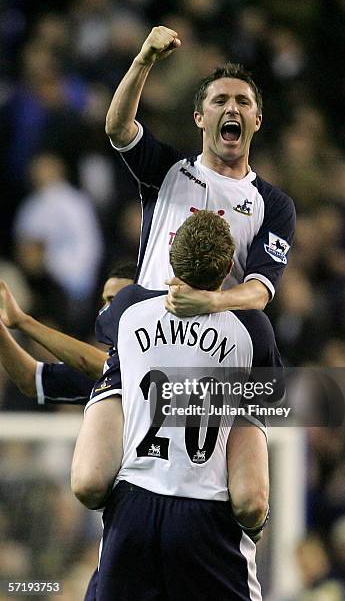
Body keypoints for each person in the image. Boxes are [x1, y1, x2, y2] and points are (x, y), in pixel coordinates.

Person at [72, 211, 284, 601]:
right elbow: (251, 495)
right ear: (226, 268)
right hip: (207, 515)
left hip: (133, 506)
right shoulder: (253, 330)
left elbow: (102, 357)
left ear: (172, 255)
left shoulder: (128, 307)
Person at [105, 25, 296, 317]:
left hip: (214, 343)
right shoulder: (167, 170)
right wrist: (143, 60)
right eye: (220, 101)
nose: (231, 108)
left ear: (256, 120)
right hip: (147, 330)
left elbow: (259, 291)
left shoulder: (273, 204)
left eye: (242, 102)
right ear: (199, 118)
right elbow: (118, 129)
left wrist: (209, 303)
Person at [0, 263, 135, 405]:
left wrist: (23, 321)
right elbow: (32, 379)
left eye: (114, 300)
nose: (104, 310)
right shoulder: (106, 374)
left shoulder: (154, 355)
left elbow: (105, 367)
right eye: (104, 301)